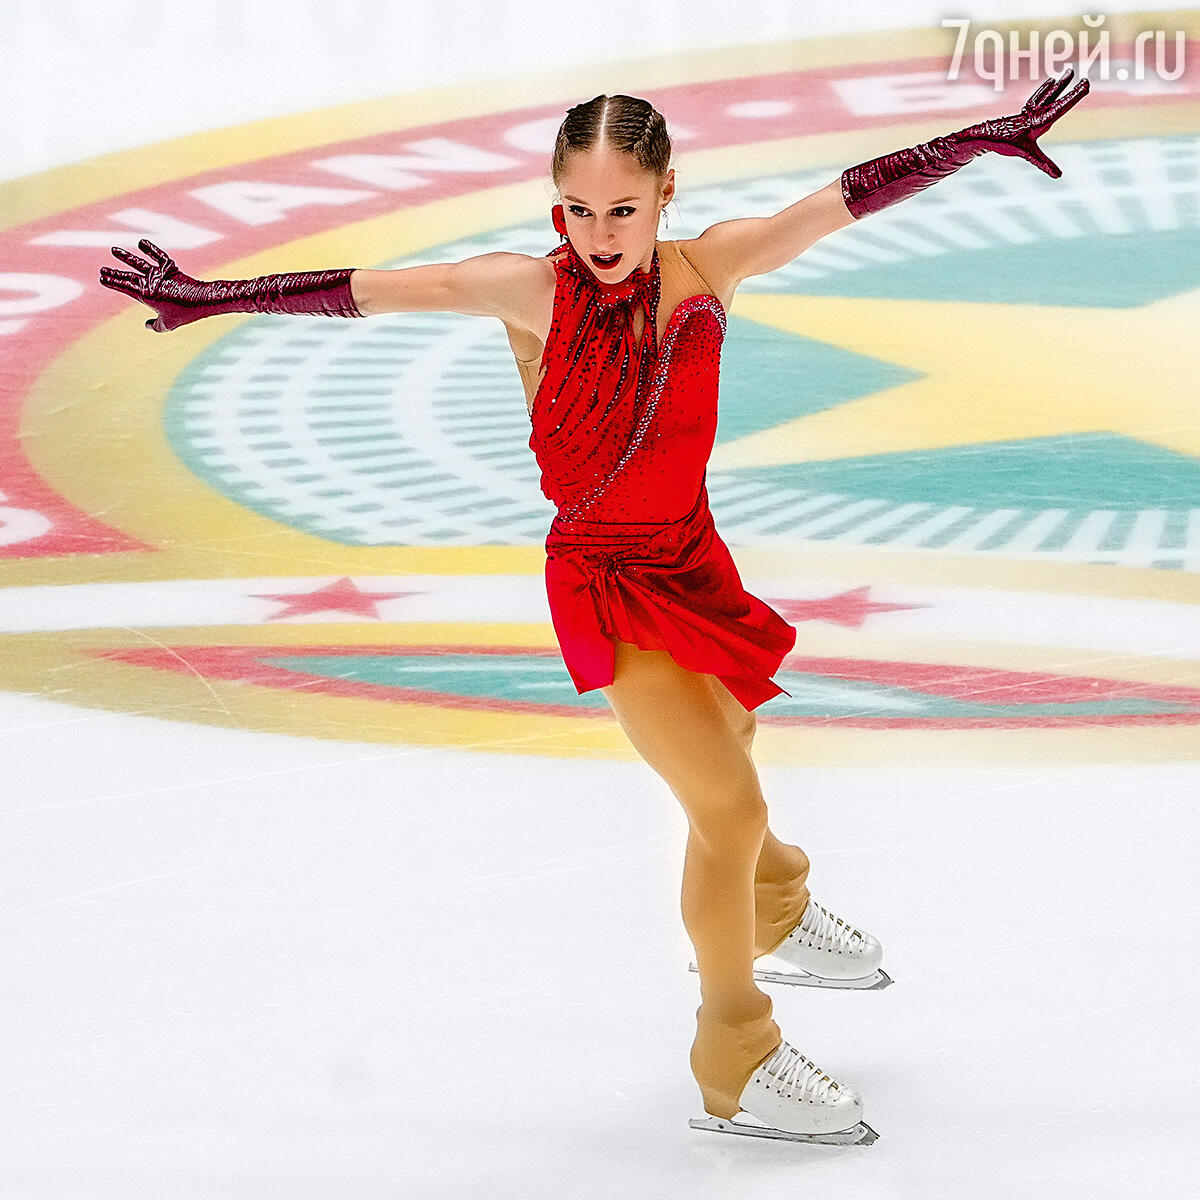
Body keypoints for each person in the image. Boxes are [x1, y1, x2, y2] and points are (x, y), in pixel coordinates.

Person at [98, 66, 1091, 1145]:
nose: (601, 231)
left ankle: (774, 903)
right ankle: (735, 1051)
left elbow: (838, 199)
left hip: (694, 561)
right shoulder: (527, 289)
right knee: (729, 808)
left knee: (736, 746)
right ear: (553, 205)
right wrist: (211, 298)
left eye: (623, 208)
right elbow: (361, 289)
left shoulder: (711, 265)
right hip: (607, 581)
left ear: (667, 195)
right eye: (579, 209)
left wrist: (980, 140)